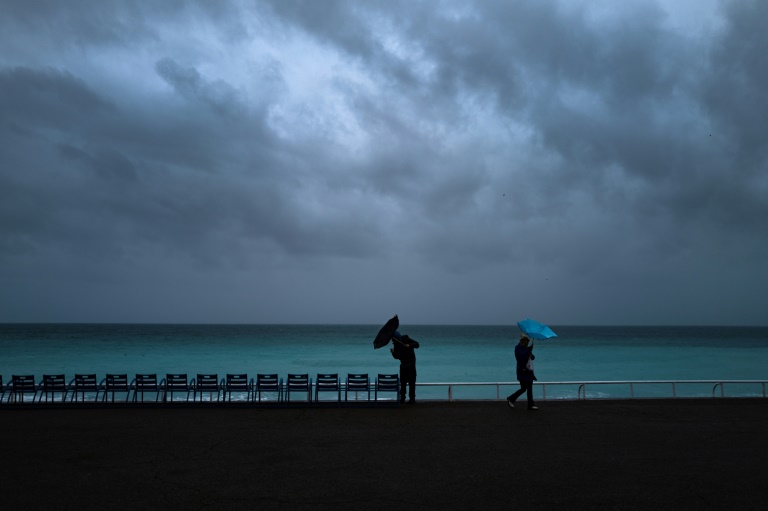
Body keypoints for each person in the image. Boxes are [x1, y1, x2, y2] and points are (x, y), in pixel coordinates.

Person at [507, 334, 538, 410]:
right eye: (526, 342)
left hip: (529, 372)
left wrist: (530, 351)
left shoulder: (526, 348)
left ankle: (530, 405)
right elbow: (521, 356)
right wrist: (528, 350)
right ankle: (511, 398)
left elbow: (533, 357)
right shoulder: (517, 348)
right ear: (522, 341)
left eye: (528, 343)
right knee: (523, 388)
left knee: (530, 389)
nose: (527, 344)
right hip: (522, 371)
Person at [390, 331, 420, 403]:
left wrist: (409, 345)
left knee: (412, 383)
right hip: (403, 365)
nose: (394, 340)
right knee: (403, 383)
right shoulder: (396, 344)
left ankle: (412, 399)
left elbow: (417, 344)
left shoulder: (406, 339)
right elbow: (397, 357)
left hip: (411, 364)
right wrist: (393, 353)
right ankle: (402, 398)